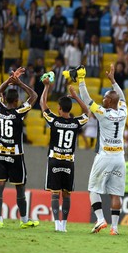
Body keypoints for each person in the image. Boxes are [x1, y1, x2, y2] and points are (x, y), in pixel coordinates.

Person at [77, 63, 128, 235]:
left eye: (105, 98)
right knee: (116, 193)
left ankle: (100, 219)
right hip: (119, 158)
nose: (103, 99)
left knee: (93, 189)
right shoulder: (123, 112)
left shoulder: (103, 113)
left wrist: (81, 80)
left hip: (105, 156)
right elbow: (122, 97)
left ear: (110, 101)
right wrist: (113, 81)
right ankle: (115, 228)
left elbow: (87, 99)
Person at [0, 68, 39, 229]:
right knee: (19, 187)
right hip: (16, 155)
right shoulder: (19, 112)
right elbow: (34, 96)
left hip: (0, 154)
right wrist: (19, 82)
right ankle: (24, 220)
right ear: (17, 100)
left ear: (4, 99)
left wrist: (9, 80)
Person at [40, 77, 89, 232]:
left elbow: (42, 105)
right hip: (69, 162)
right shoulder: (75, 123)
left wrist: (46, 87)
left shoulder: (54, 120)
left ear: (60, 108)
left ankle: (56, 224)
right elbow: (87, 112)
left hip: (54, 160)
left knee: (55, 194)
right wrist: (75, 96)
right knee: (66, 194)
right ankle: (64, 225)